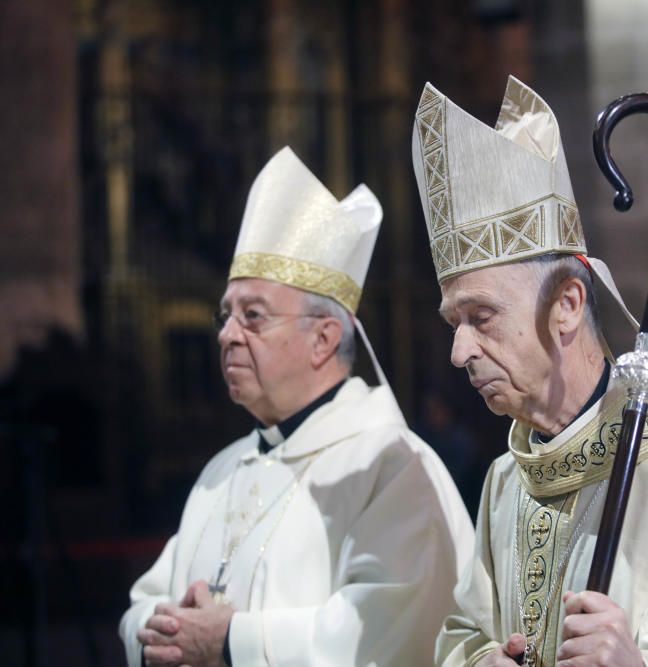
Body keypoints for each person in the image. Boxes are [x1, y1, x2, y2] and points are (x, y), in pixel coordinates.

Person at [411, 76, 648, 667]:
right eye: (454, 322)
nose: (460, 350)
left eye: (482, 317)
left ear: (568, 305)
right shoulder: (507, 480)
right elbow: (463, 634)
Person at [119, 147, 475, 667]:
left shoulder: (390, 466)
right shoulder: (224, 469)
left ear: (323, 339)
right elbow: (142, 603)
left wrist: (228, 641)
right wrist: (165, 632)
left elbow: (382, 635)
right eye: (226, 315)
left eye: (253, 316)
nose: (226, 335)